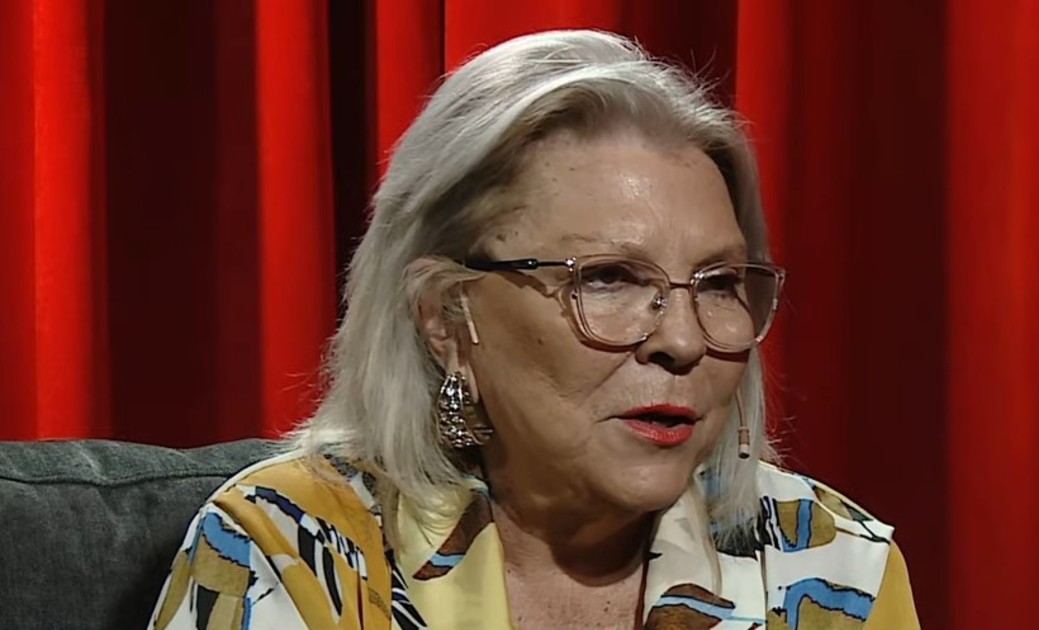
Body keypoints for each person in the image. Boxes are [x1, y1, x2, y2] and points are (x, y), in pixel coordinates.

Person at [148, 29, 919, 630]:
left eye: (718, 284)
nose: (684, 342)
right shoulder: (291, 552)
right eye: (609, 278)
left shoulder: (832, 570)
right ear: (446, 316)